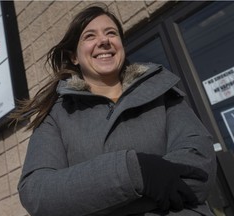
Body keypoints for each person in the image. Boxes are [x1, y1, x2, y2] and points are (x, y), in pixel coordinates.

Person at [11, 3, 216, 216]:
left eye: (111, 33)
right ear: (74, 57)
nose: (104, 41)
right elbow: (37, 194)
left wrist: (100, 200)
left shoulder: (162, 91)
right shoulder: (56, 115)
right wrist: (135, 174)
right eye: (89, 36)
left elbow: (200, 168)